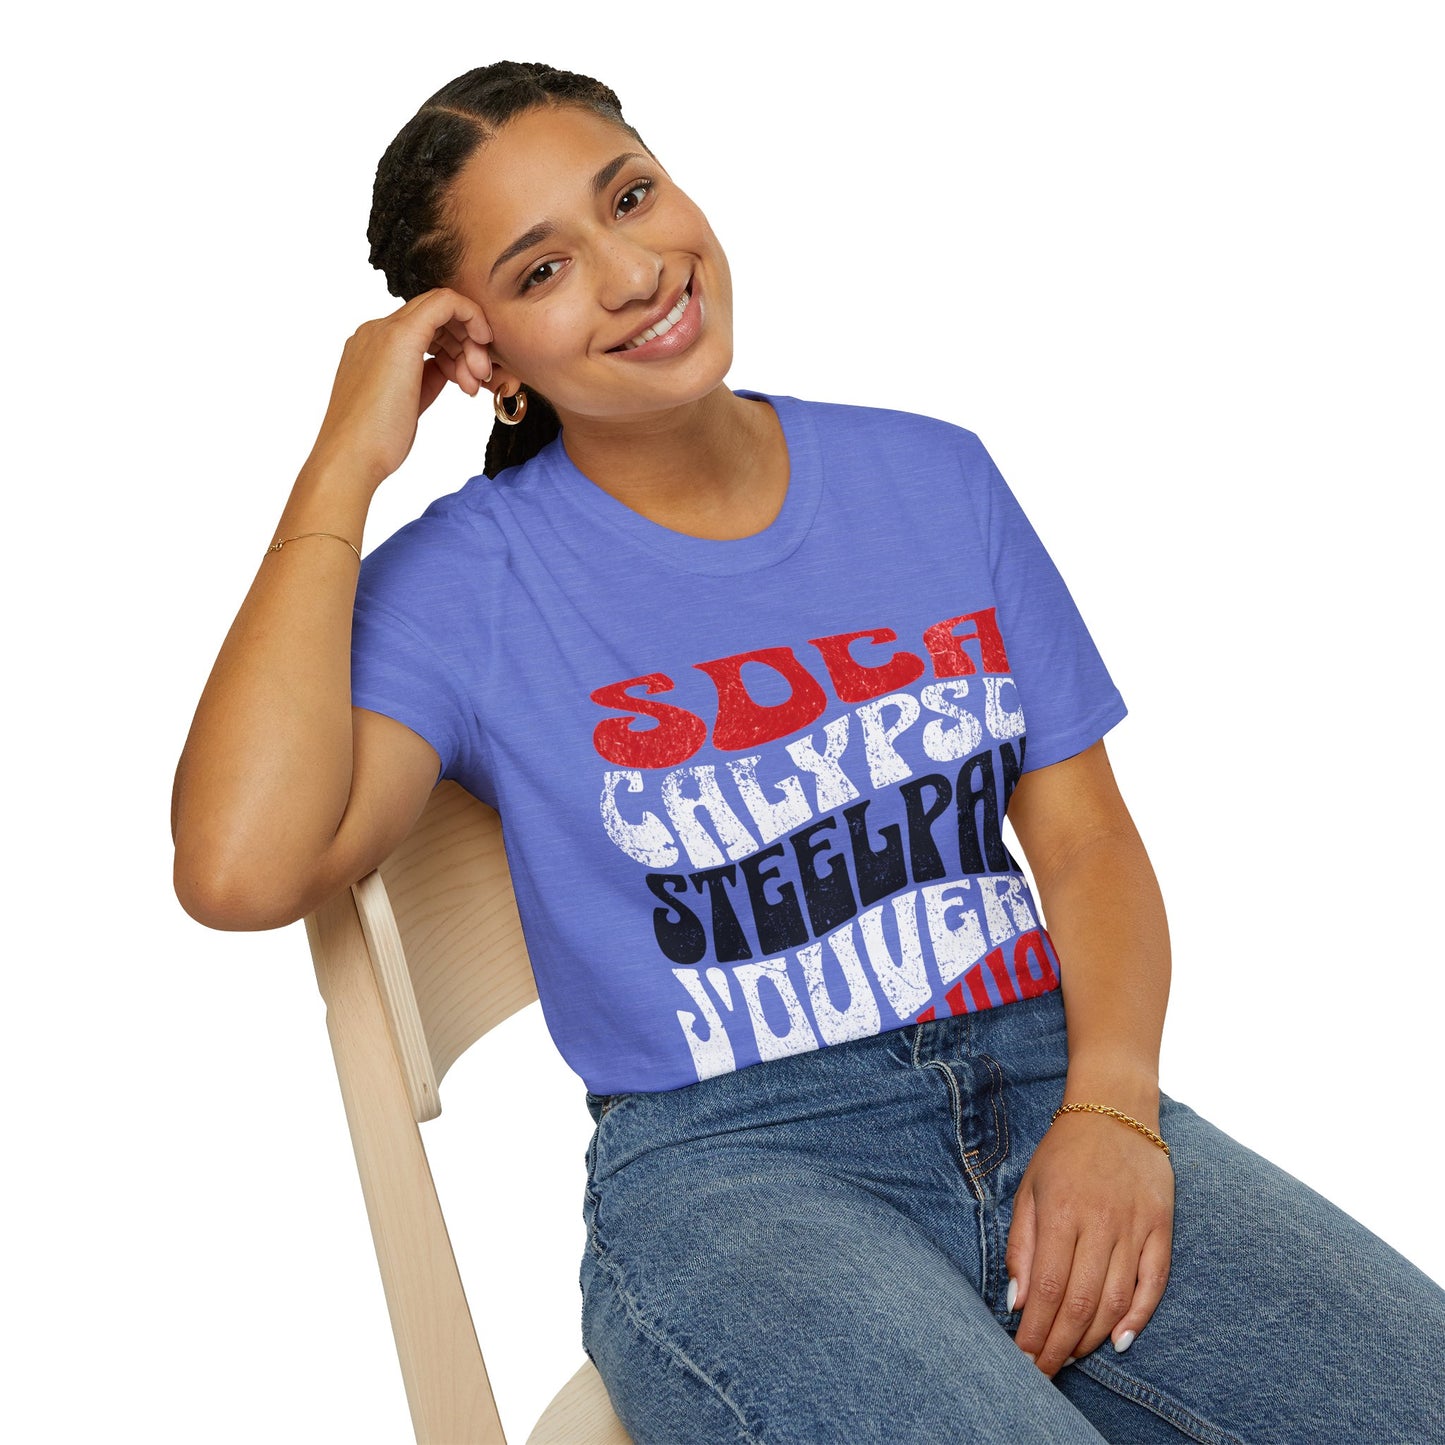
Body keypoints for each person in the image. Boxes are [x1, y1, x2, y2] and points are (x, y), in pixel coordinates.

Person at [172, 60, 1445, 1444]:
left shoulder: (933, 477)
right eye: (542, 271)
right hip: (736, 1171)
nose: (632, 270)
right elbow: (239, 867)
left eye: (632, 196)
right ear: (483, 358)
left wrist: (1113, 1109)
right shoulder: (470, 580)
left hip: (1044, 1080)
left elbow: (1083, 845)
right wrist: (340, 463)